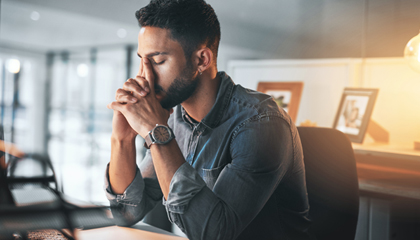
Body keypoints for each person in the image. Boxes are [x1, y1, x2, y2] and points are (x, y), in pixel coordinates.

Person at [105, 0, 311, 239]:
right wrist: (121, 138)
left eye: (158, 61)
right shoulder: (173, 119)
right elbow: (126, 213)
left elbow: (215, 233)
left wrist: (155, 131)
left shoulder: (261, 124)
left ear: (202, 60)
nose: (144, 75)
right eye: (142, 60)